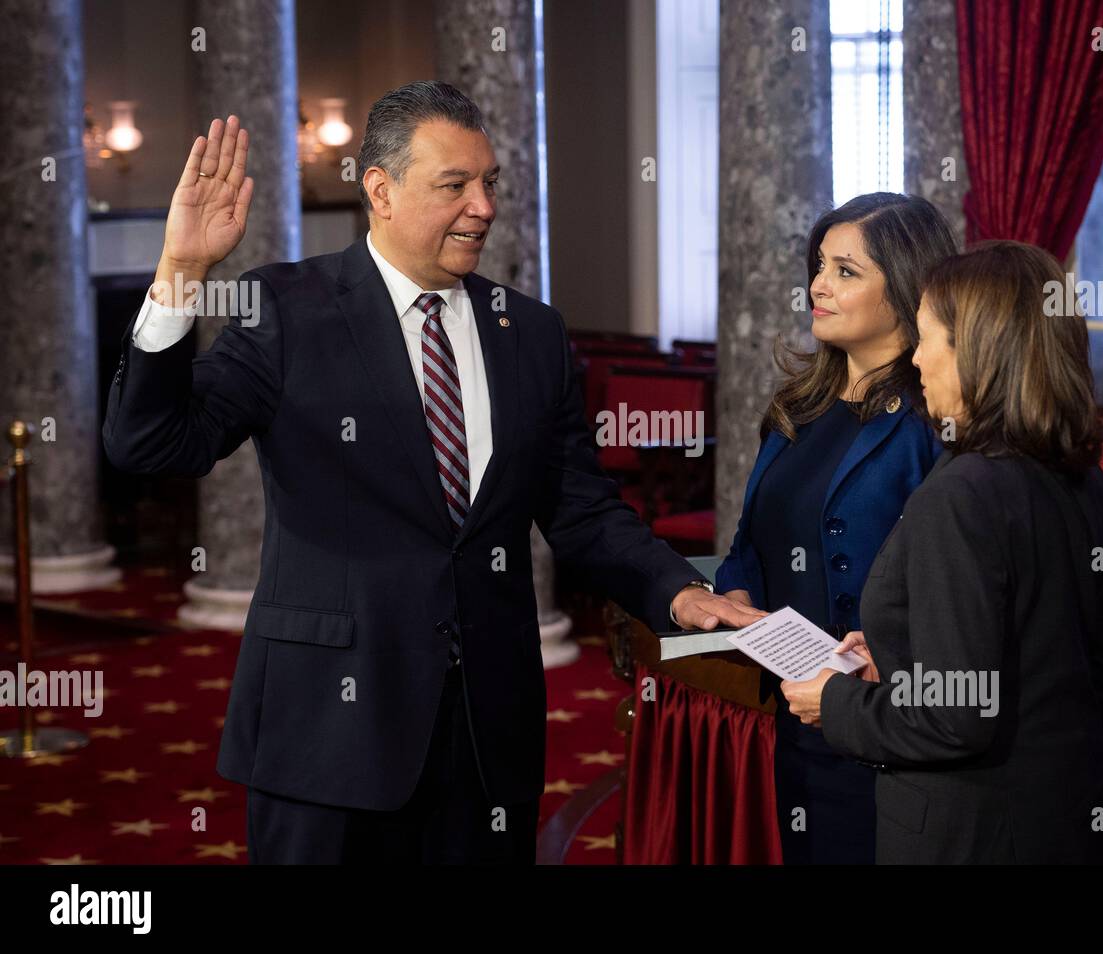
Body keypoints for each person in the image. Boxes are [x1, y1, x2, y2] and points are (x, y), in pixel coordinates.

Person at [102, 81, 761, 864]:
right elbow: (149, 446)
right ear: (379, 189)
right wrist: (180, 269)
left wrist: (677, 590)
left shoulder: (533, 333)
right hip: (329, 734)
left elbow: (581, 509)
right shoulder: (285, 310)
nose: (483, 206)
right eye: (455, 185)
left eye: (490, 184)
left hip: (486, 738)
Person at [781, 240, 1103, 864]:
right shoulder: (1083, 476)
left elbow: (956, 717)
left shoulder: (962, 493)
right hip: (1070, 818)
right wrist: (896, 651)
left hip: (972, 833)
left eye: (927, 338)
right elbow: (1089, 672)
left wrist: (833, 701)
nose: (915, 360)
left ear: (975, 351)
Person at [714, 193, 956, 863]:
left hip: (892, 729)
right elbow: (747, 546)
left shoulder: (934, 426)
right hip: (798, 720)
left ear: (906, 288)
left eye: (846, 271)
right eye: (819, 265)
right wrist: (734, 594)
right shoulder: (795, 410)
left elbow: (953, 592)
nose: (817, 285)